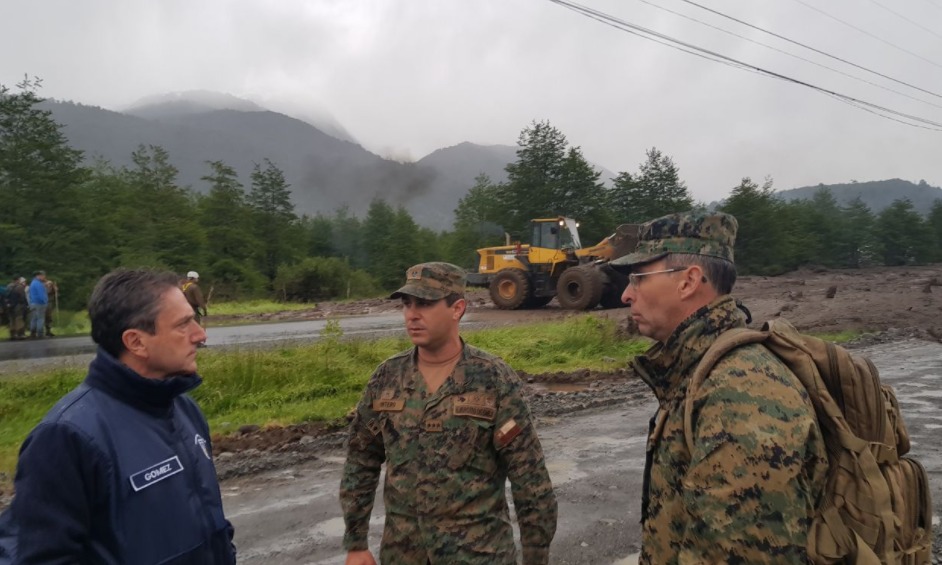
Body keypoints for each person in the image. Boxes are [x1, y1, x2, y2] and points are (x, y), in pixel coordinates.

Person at [609, 211, 828, 564]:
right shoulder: (700, 370)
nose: (625, 295)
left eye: (638, 278)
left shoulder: (743, 393)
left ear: (688, 281)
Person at [0, 268, 236, 564]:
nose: (200, 335)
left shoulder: (183, 408)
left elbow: (209, 526)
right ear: (136, 342)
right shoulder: (67, 438)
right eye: (183, 324)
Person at [340, 262, 557, 565]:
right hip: (403, 553)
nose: (412, 314)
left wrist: (536, 555)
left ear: (457, 309)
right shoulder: (387, 377)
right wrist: (356, 542)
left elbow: (528, 475)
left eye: (425, 304)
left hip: (478, 553)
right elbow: (361, 461)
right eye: (407, 304)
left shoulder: (492, 378)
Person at [26, 271, 47, 339]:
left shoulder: (32, 283)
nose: (44, 277)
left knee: (34, 319)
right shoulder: (38, 284)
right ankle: (40, 334)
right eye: (43, 276)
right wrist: (44, 301)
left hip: (33, 303)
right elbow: (41, 295)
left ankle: (33, 333)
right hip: (39, 303)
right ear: (39, 276)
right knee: (40, 319)